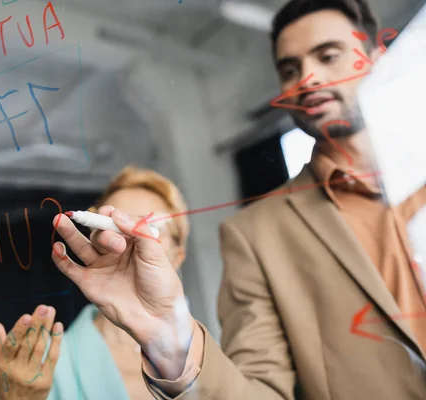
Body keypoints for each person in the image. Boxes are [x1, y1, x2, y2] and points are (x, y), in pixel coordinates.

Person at [45, 0, 426, 399]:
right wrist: (168, 336)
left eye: (328, 56)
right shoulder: (255, 235)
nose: (307, 78)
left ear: (377, 59)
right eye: (289, 69)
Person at [0, 165, 190, 400]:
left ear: (178, 257)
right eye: (113, 224)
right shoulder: (42, 370)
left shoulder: (208, 356)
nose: (131, 239)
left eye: (151, 228)